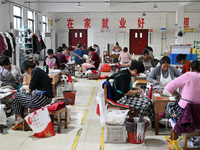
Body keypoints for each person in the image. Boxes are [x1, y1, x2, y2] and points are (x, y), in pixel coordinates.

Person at [109, 60, 164, 128]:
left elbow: (126, 88)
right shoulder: (125, 76)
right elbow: (126, 92)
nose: (137, 75)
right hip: (121, 99)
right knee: (146, 104)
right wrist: (137, 91)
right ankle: (136, 122)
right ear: (135, 70)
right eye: (138, 73)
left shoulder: (125, 73)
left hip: (124, 96)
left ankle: (154, 122)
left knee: (149, 101)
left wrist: (137, 89)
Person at [12, 60, 53, 129]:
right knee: (22, 97)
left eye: (27, 72)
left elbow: (31, 87)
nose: (27, 74)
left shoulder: (35, 72)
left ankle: (19, 118)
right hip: (46, 98)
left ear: (29, 68)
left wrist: (23, 86)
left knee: (17, 96)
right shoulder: (39, 71)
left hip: (41, 99)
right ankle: (22, 118)